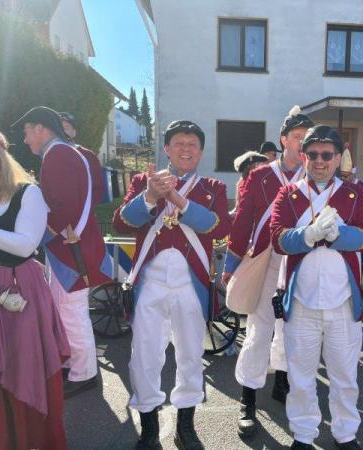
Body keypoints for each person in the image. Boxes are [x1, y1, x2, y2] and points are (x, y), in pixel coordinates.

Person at [113, 120, 230, 449]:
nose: (186, 149)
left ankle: (185, 426)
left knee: (191, 355)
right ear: (166, 148)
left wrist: (177, 198)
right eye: (179, 143)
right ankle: (149, 426)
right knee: (144, 356)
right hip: (149, 284)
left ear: (201, 152)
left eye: (193, 144)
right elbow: (122, 222)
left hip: (191, 285)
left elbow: (219, 227)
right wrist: (151, 195)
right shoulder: (144, 181)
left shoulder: (213, 188)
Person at [269, 125, 363, 449]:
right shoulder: (288, 194)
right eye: (313, 154)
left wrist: (339, 235)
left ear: (337, 157)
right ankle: (303, 434)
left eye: (326, 154)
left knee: (345, 377)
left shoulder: (355, 194)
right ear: (303, 156)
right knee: (300, 378)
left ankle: (346, 434)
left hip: (343, 303)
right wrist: (308, 234)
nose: (319, 161)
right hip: (301, 303)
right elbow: (277, 239)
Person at [222, 105, 313, 438]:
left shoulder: (316, 177)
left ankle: (282, 383)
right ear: (283, 139)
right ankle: (247, 399)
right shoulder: (259, 175)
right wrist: (231, 265)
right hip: (266, 260)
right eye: (297, 137)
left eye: (307, 138)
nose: (302, 144)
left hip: (300, 264)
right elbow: (243, 221)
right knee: (259, 331)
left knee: (292, 330)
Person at [0, 123, 70, 449]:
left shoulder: (27, 193)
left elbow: (25, 244)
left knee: (21, 367)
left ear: (3, 154)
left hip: (17, 290)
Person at [12, 106, 113, 398]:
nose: (26, 139)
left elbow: (63, 209)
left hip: (70, 250)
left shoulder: (58, 155)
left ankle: (83, 373)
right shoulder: (65, 153)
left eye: (27, 132)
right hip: (72, 247)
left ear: (40, 128)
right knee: (67, 309)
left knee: (70, 311)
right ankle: (74, 366)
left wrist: (32, 237)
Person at [59, 111, 105, 204]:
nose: (61, 132)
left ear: (74, 132)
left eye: (66, 128)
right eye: (58, 128)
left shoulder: (88, 156)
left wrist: (81, 205)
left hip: (80, 210)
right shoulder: (49, 155)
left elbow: (98, 190)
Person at [230, 150, 269, 218]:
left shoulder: (262, 181)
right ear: (250, 167)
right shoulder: (244, 183)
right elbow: (241, 206)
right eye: (258, 164)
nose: (261, 166)